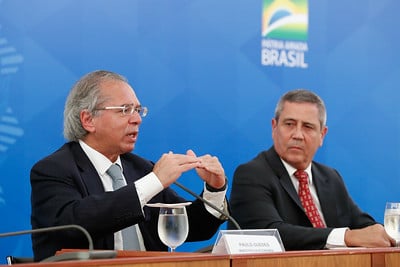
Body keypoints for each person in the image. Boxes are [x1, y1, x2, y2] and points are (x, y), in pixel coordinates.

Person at [30, 70, 229, 261]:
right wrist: (154, 182)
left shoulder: (141, 169)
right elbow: (74, 225)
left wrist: (214, 189)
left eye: (138, 110)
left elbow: (190, 226)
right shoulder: (53, 170)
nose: (137, 119)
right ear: (88, 120)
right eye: (125, 110)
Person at [228, 89, 395, 250]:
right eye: (289, 124)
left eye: (308, 127)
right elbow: (270, 234)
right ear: (274, 127)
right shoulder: (252, 174)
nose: (298, 135)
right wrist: (346, 237)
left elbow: (362, 224)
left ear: (322, 135)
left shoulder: (330, 177)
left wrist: (383, 233)